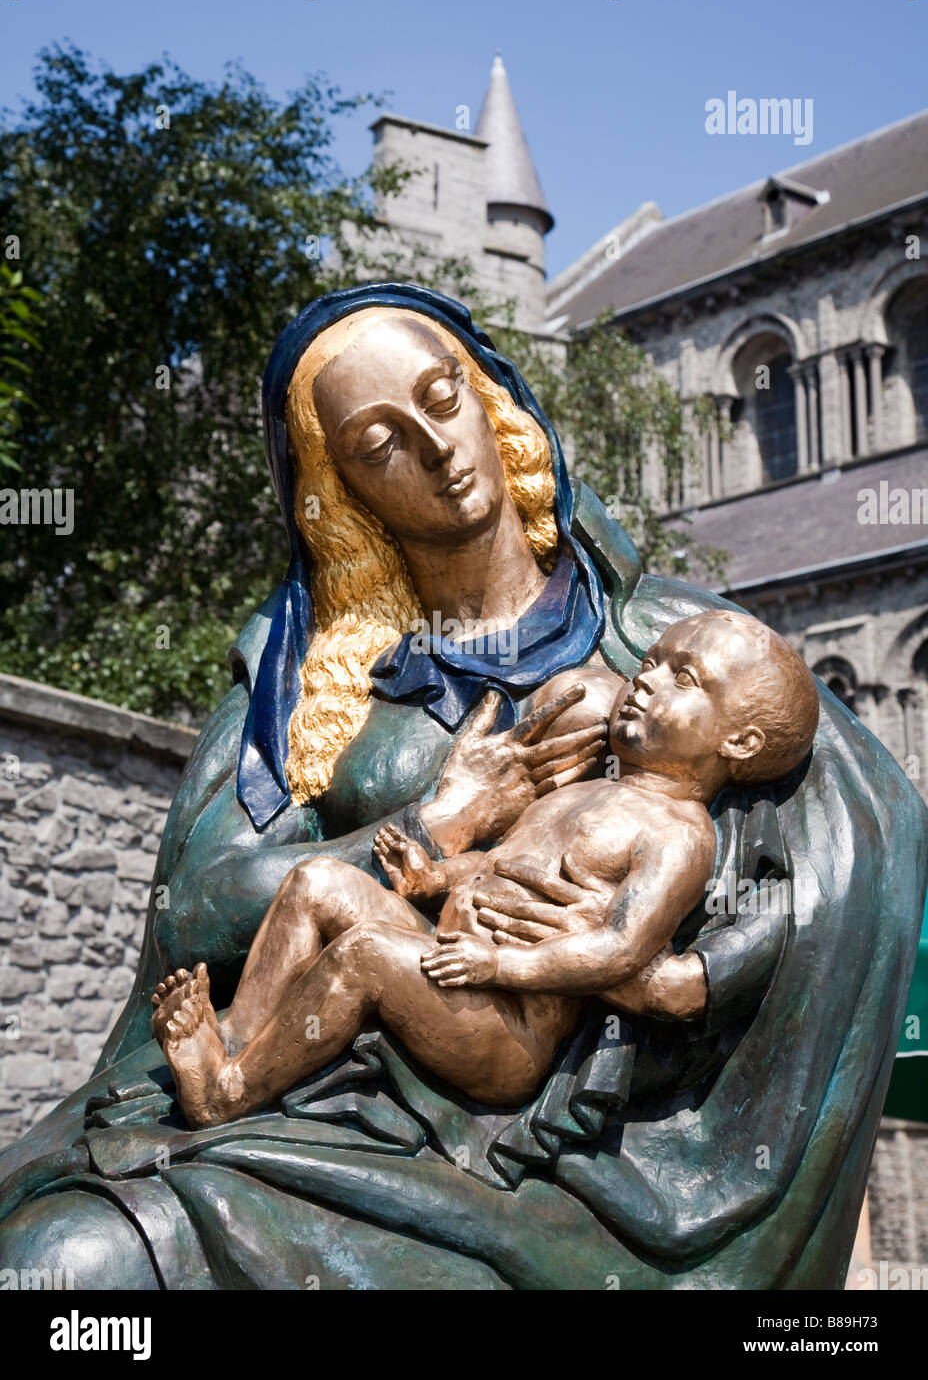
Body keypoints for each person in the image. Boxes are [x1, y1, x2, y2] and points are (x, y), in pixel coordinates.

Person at [0, 285, 923, 1291]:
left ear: (493, 399)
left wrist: (661, 976)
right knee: (57, 1266)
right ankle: (223, 1082)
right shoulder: (302, 675)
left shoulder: (672, 647)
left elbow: (859, 851)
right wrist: (431, 821)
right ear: (335, 491)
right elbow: (196, 912)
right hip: (315, 1080)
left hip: (560, 1151)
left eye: (443, 397)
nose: (440, 448)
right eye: (382, 443)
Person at [151, 611, 819, 1127]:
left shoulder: (680, 834)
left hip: (506, 1028)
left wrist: (502, 968)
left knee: (367, 955)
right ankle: (234, 1035)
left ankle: (225, 1094)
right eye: (651, 661)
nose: (645, 678)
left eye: (685, 677)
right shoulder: (579, 790)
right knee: (318, 882)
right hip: (448, 958)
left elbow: (620, 949)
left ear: (740, 742)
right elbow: (497, 866)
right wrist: (432, 878)